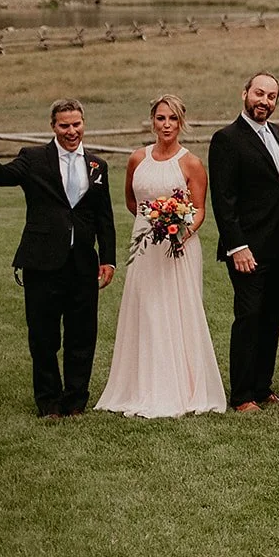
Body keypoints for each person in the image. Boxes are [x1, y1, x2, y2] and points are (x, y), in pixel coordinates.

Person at [0, 101, 116, 417]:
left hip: (83, 264)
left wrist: (108, 259)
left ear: (83, 123)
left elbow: (104, 217)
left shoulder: (97, 166)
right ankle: (49, 402)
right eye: (64, 126)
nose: (71, 131)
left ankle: (76, 401)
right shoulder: (33, 159)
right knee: (44, 338)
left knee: (82, 336)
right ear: (53, 127)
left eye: (76, 124)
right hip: (42, 263)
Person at [96, 95, 226, 417]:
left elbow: (199, 211)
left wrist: (179, 231)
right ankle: (141, 385)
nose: (166, 125)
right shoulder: (136, 158)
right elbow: (132, 201)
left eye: (172, 119)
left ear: (181, 123)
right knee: (146, 311)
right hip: (144, 246)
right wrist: (151, 223)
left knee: (177, 311)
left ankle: (181, 386)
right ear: (152, 121)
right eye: (160, 118)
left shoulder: (191, 163)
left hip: (179, 247)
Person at [208, 73, 279, 412]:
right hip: (247, 247)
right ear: (244, 93)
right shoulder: (226, 139)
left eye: (272, 96)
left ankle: (262, 387)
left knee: (272, 315)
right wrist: (237, 246)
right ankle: (243, 394)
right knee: (249, 315)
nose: (265, 101)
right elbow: (224, 199)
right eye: (259, 93)